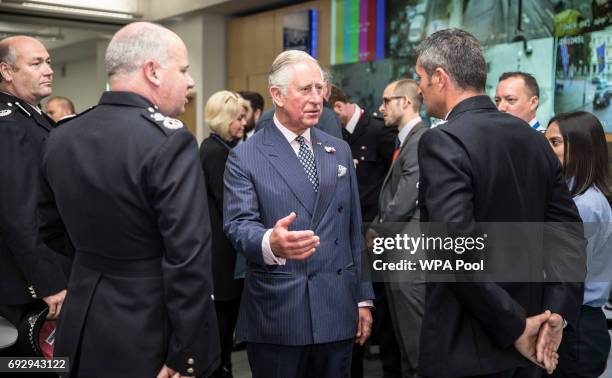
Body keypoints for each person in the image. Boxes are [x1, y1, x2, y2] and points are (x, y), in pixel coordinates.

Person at [41, 22, 220, 378]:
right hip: (148, 330)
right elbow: (187, 257)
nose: (190, 82)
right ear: (152, 71)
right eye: (183, 70)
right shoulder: (169, 141)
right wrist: (187, 355)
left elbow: (47, 230)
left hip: (80, 323)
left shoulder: (63, 135)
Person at [415, 29, 586, 377]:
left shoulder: (442, 140)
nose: (419, 88)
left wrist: (515, 327)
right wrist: (556, 314)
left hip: (467, 348)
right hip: (531, 348)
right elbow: (569, 235)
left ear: (440, 78)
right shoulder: (536, 141)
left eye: (420, 78)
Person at [223, 49, 374, 378]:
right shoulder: (246, 156)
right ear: (276, 94)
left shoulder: (338, 149)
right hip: (280, 313)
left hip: (336, 309)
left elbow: (352, 228)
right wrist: (270, 242)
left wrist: (363, 299)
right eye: (305, 89)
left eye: (320, 89)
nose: (316, 98)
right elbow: (237, 224)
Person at [0, 36, 68, 355]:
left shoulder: (31, 117)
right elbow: (16, 213)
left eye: (49, 62)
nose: (48, 70)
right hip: (24, 285)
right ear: (6, 71)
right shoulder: (10, 126)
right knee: (27, 366)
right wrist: (46, 281)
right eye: (36, 63)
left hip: (33, 276)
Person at [329, 84, 397, 378]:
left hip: (376, 231)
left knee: (380, 302)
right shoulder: (337, 135)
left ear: (339, 107)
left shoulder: (379, 131)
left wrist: (381, 224)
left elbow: (391, 183)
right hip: (349, 231)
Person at [545, 111, 612, 378]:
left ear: (581, 147)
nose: (548, 150)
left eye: (555, 142)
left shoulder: (585, 205)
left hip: (577, 327)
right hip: (574, 321)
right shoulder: (572, 196)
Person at [368, 78, 427, 378]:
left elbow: (405, 198)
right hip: (400, 257)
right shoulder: (405, 139)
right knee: (405, 345)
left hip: (410, 260)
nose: (380, 109)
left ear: (405, 102)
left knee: (417, 350)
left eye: (386, 100)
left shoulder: (420, 140)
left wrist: (376, 231)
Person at [199, 90, 248, 378]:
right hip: (221, 257)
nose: (243, 124)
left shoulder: (216, 147)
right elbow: (230, 205)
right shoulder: (217, 153)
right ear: (223, 119)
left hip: (223, 252)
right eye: (238, 118)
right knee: (221, 327)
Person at [255, 63, 343, 139]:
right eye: (305, 89)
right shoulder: (265, 123)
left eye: (319, 87)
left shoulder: (340, 147)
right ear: (278, 95)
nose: (316, 99)